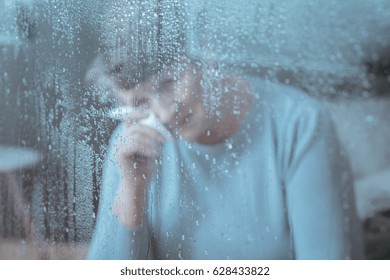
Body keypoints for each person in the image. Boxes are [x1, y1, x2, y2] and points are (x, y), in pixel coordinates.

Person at [87, 0, 363, 259]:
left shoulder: (300, 125)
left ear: (207, 53)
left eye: (169, 83)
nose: (164, 112)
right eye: (141, 102)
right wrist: (132, 190)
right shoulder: (134, 145)